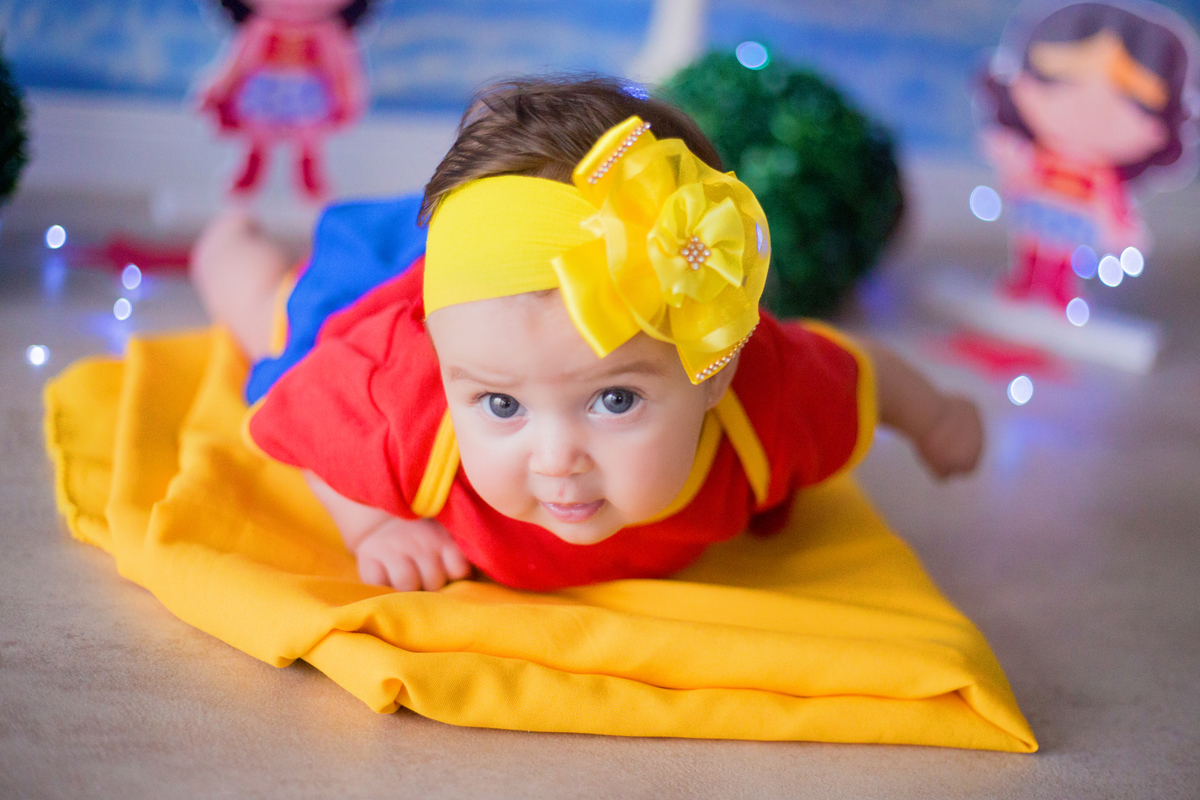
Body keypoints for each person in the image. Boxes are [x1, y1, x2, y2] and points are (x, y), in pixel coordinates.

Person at [191, 77, 983, 594]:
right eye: (501, 407)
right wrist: (375, 522)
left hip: (510, 287)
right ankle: (224, 244)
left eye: (612, 397)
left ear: (712, 371)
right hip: (443, 279)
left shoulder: (765, 401)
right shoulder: (403, 396)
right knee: (274, 311)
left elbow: (862, 372)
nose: (555, 458)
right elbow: (305, 427)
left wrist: (937, 418)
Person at [978, 1, 1197, 306]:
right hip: (1036, 216)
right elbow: (1017, 170)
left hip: (1075, 228)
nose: (1092, 109)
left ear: (1161, 129)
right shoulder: (1042, 158)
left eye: (1130, 100)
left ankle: (1058, 295)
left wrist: (1119, 233)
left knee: (1062, 262)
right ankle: (1025, 287)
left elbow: (1115, 212)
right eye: (1065, 80)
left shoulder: (1101, 178)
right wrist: (1009, 159)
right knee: (1033, 255)